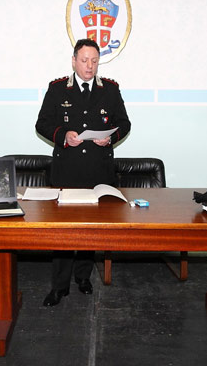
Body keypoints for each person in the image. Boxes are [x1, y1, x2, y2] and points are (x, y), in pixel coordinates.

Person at [35, 38, 131, 306]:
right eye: (85, 60)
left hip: (98, 172)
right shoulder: (57, 89)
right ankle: (59, 286)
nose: (90, 66)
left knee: (91, 231)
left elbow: (124, 123)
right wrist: (63, 135)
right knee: (63, 233)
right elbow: (42, 124)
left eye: (94, 61)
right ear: (74, 61)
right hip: (67, 171)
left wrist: (110, 138)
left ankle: (83, 277)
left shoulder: (110, 89)